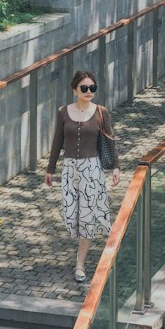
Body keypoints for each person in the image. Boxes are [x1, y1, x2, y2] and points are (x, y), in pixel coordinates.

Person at [45, 69, 120, 283]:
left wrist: (116, 167)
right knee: (72, 215)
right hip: (70, 170)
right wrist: (50, 169)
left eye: (92, 88)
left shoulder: (101, 112)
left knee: (86, 217)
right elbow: (57, 142)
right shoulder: (63, 112)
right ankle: (81, 252)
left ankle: (80, 264)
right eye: (84, 88)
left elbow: (110, 139)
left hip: (92, 170)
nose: (89, 92)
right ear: (74, 89)